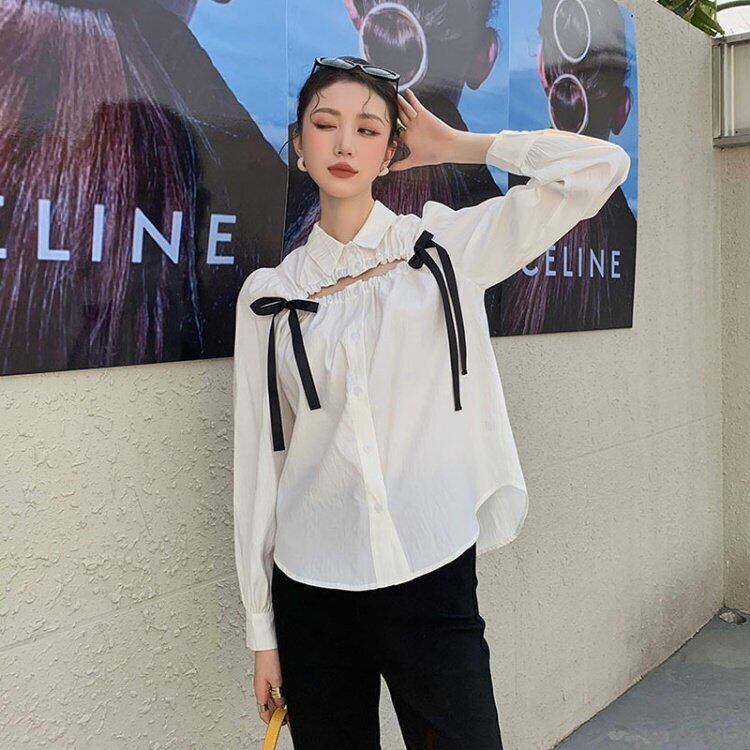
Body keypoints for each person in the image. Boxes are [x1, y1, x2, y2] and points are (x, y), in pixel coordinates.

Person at [233, 55, 630, 748]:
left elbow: (601, 168)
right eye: (325, 125)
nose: (344, 142)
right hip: (312, 591)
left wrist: (460, 146)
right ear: (298, 145)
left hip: (431, 577)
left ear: (391, 152)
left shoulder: (443, 249)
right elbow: (259, 463)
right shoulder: (270, 297)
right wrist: (262, 631)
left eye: (367, 129)